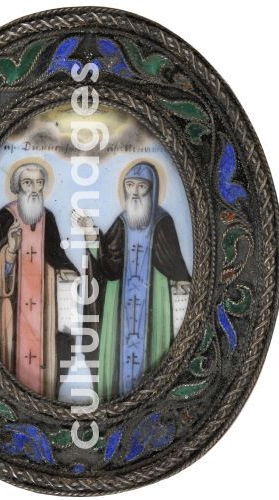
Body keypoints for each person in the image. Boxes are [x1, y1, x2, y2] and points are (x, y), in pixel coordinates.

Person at [73, 162, 191, 401]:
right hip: (118, 307)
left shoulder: (163, 221)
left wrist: (182, 278)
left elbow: (172, 259)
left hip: (154, 302)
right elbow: (109, 266)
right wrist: (92, 236)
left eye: (141, 186)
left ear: (152, 189)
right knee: (115, 357)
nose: (135, 192)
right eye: (130, 185)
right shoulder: (121, 221)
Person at [0, 162, 77, 398]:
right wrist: (10, 252)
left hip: (45, 313)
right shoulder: (5, 218)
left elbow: (57, 256)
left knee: (47, 362)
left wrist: (67, 271)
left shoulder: (48, 218)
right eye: (27, 183)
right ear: (17, 187)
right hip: (13, 312)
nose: (34, 189)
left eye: (39, 183)